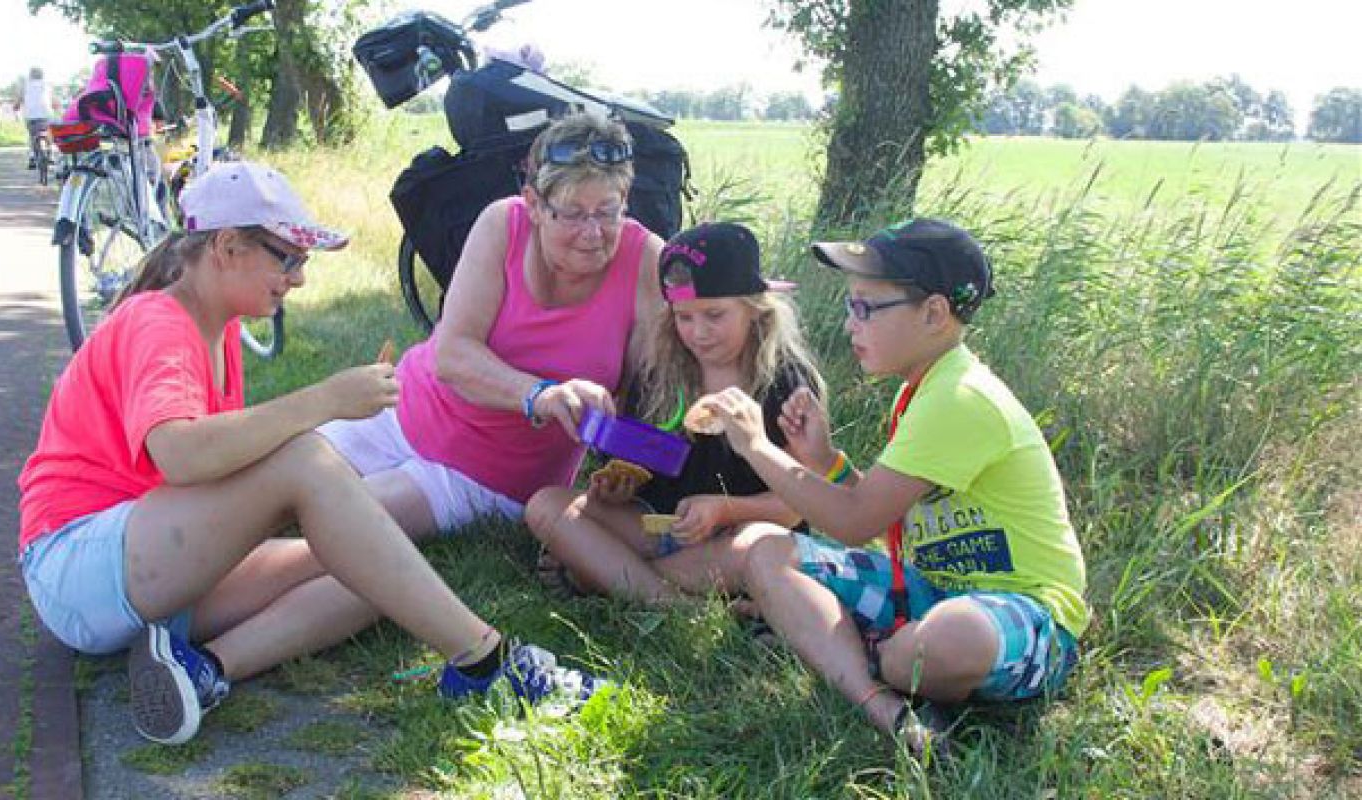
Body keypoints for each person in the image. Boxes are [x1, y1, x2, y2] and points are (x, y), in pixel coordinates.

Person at [17, 162, 605, 747]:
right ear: (226, 246)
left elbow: (213, 469)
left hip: (143, 575)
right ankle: (485, 663)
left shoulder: (212, 329)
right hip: (77, 569)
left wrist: (328, 498)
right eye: (288, 258)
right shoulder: (159, 322)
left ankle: (202, 672)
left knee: (375, 569)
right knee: (306, 459)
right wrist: (323, 402)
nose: (297, 279)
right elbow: (180, 455)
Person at [700, 219, 1089, 758]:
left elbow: (854, 522)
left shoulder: (961, 397)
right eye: (848, 307)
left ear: (933, 313)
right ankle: (879, 695)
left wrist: (755, 446)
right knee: (766, 548)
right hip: (928, 587)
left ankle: (847, 647)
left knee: (947, 641)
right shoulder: (924, 388)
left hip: (1024, 611)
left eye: (866, 308)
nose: (849, 324)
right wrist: (824, 460)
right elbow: (884, 521)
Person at [316, 112, 664, 539]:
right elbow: (453, 355)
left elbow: (652, 394)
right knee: (277, 473)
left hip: (486, 471)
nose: (592, 233)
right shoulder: (504, 223)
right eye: (572, 214)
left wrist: (628, 465)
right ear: (534, 204)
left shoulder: (645, 259)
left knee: (336, 520)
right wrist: (540, 395)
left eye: (608, 212)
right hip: (404, 409)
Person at [525, 222, 825, 605]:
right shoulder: (662, 370)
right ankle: (668, 596)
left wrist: (724, 510)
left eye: (714, 315)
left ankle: (611, 577)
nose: (698, 333)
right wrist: (620, 488)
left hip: (736, 536)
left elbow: (800, 503)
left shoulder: (785, 385)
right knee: (547, 507)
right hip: (659, 526)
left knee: (757, 548)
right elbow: (643, 463)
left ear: (754, 309)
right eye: (684, 317)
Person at [15, 67, 56, 170]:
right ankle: (50, 154)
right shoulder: (47, 85)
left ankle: (32, 157)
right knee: (49, 132)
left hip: (30, 116)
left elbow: (19, 100)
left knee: (32, 135)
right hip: (46, 114)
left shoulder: (25, 86)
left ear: (30, 76)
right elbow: (54, 101)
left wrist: (16, 107)